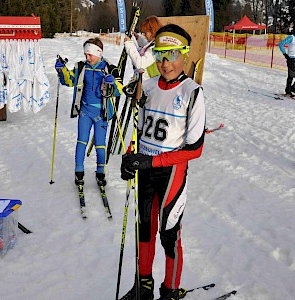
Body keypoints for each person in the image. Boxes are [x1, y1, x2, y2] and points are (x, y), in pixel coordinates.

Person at [119, 24, 206, 300]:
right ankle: (143, 286)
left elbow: (195, 149)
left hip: (171, 174)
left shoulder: (193, 92)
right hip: (145, 169)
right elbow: (139, 128)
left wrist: (151, 163)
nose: (164, 63)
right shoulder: (148, 87)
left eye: (171, 55)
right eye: (159, 55)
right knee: (143, 229)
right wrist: (130, 157)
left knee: (169, 235)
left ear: (185, 55)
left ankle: (169, 290)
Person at [55, 38, 123, 185]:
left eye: (89, 55)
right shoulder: (82, 67)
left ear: (98, 53)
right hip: (85, 111)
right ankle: (79, 172)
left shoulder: (109, 68)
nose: (87, 58)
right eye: (85, 54)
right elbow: (69, 80)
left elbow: (120, 90)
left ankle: (100, 172)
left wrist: (113, 84)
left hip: (101, 113)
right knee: (81, 142)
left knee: (100, 144)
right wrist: (62, 70)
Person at [124, 15, 163, 81]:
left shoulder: (156, 49)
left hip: (149, 83)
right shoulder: (155, 42)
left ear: (152, 31)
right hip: (147, 81)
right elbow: (147, 47)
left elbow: (140, 64)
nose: (144, 35)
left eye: (145, 32)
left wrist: (129, 45)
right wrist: (138, 38)